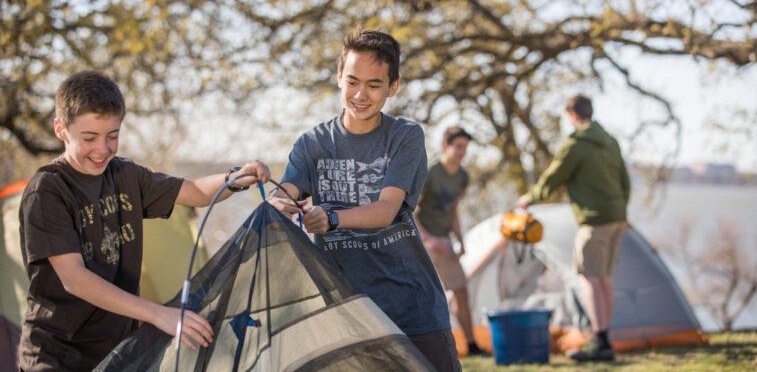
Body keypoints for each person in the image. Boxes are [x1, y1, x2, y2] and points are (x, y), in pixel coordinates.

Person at [17, 70, 271, 372]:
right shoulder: (47, 190)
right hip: (56, 358)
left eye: (112, 136)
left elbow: (194, 191)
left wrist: (237, 178)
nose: (103, 149)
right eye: (89, 138)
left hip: (118, 355)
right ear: (61, 129)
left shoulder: (125, 175)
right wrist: (158, 314)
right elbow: (75, 279)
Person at [267, 27, 461, 371]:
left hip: (413, 308)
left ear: (393, 87)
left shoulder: (406, 136)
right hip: (347, 313)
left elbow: (386, 210)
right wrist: (277, 203)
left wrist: (331, 218)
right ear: (339, 77)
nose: (360, 94)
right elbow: (286, 193)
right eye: (353, 81)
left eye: (374, 85)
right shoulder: (312, 144)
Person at [516, 94, 630, 362]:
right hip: (617, 218)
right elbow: (625, 182)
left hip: (593, 221)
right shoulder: (611, 142)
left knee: (589, 278)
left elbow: (554, 177)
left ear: (573, 115)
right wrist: (621, 209)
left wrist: (529, 198)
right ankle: (604, 339)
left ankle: (600, 341)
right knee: (605, 278)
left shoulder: (576, 144)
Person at [414, 126, 483, 356]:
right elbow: (409, 211)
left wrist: (460, 240)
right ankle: (423, 349)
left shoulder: (463, 177)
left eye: (466, 147)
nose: (463, 152)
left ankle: (472, 345)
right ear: (446, 146)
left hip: (445, 242)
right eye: (459, 147)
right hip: (423, 241)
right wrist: (428, 239)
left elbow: (454, 211)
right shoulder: (431, 173)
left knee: (461, 292)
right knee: (427, 297)